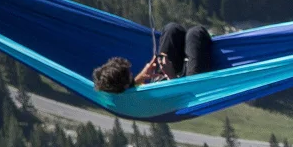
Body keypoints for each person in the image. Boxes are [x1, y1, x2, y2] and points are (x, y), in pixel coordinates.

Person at [94, 21, 222, 94]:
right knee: (195, 33)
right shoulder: (138, 103)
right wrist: (171, 76)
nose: (133, 76)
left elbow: (129, 89)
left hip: (168, 82)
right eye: (130, 76)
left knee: (172, 29)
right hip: (190, 89)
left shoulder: (122, 95)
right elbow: (181, 99)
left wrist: (142, 76)